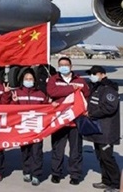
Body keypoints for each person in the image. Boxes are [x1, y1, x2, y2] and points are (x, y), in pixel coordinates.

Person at [46, 57, 89, 185]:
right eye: (61, 65)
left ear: (71, 66)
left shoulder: (80, 81)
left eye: (66, 64)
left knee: (76, 150)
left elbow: (87, 94)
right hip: (60, 120)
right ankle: (56, 173)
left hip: (76, 121)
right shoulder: (54, 79)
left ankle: (75, 174)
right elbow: (52, 91)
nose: (63, 66)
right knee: (58, 149)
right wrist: (71, 89)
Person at [84, 65, 120, 192]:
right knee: (100, 157)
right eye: (91, 73)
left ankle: (116, 184)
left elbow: (109, 107)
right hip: (98, 129)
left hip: (107, 131)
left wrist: (92, 114)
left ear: (103, 74)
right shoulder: (97, 87)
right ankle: (106, 181)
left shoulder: (109, 89)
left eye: (95, 73)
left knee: (107, 158)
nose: (92, 76)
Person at [11, 68, 48, 186]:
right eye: (26, 79)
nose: (28, 80)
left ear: (34, 80)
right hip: (24, 128)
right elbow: (11, 110)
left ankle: (36, 174)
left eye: (30, 79)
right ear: (22, 80)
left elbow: (47, 109)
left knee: (36, 152)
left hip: (37, 128)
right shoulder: (17, 93)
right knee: (25, 151)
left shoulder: (41, 94)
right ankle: (27, 171)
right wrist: (14, 102)